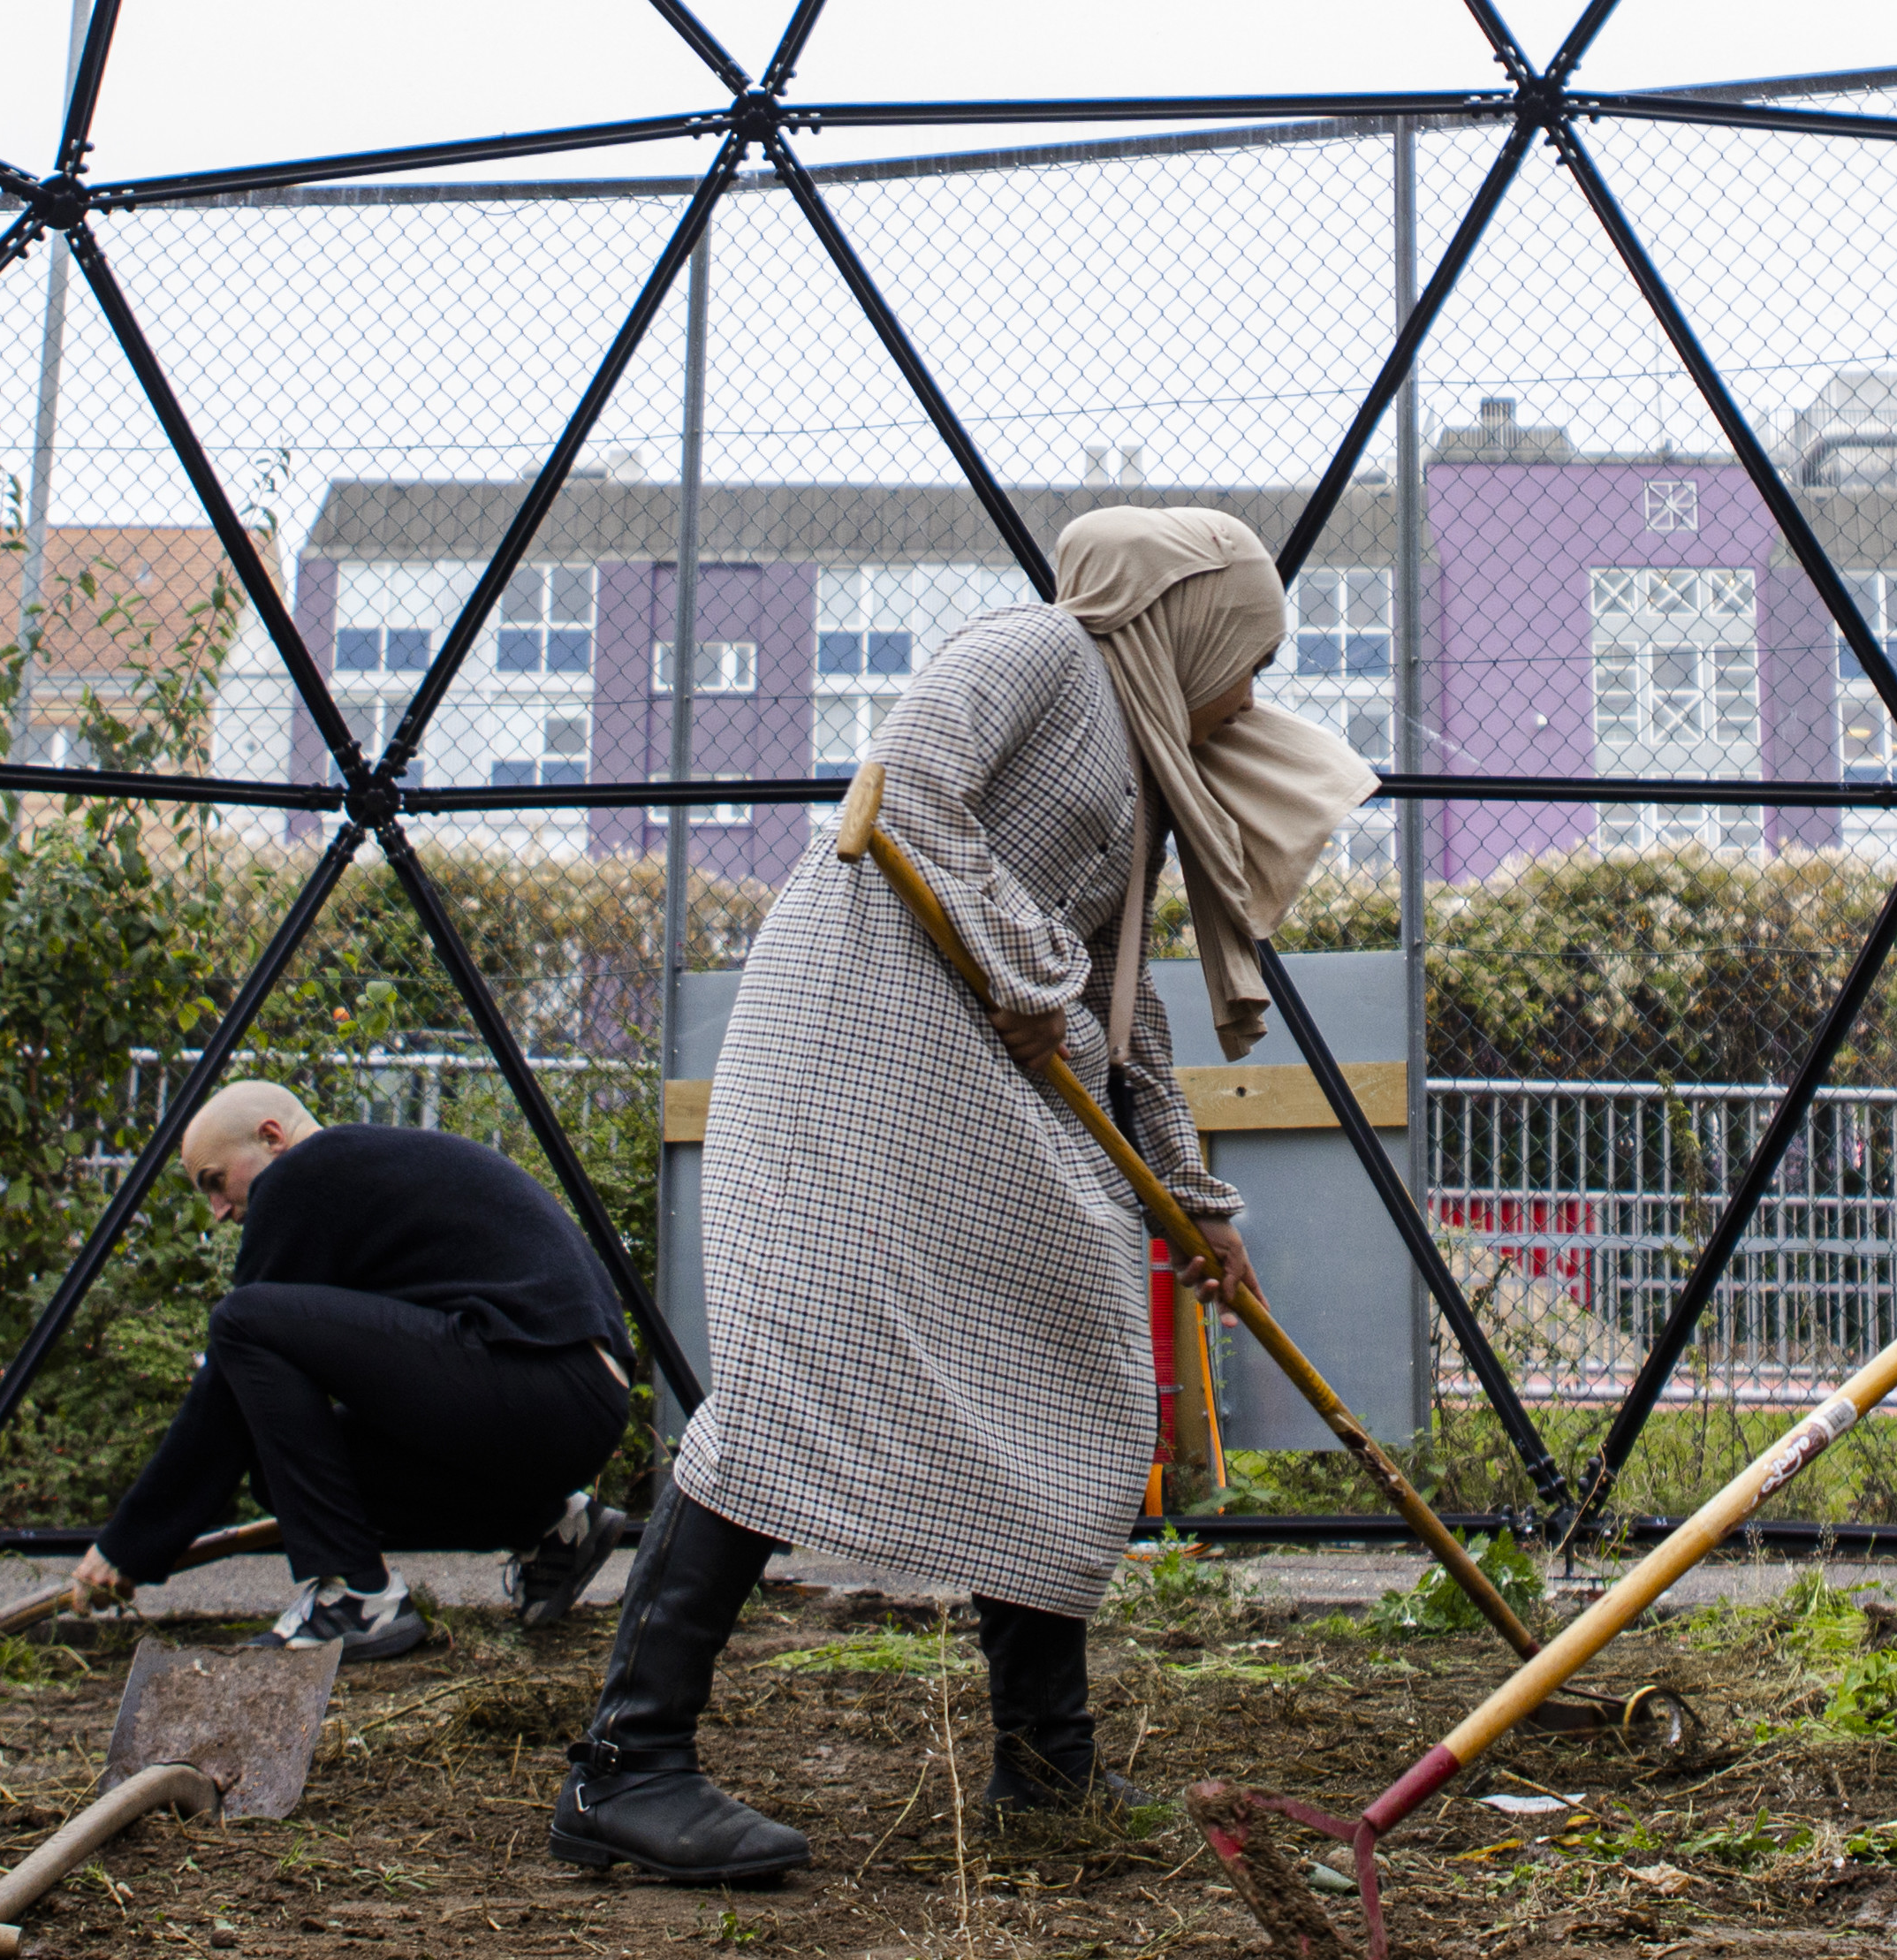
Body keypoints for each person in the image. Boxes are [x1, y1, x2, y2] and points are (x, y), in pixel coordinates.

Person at [549, 503, 1364, 1885]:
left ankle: (1047, 1767)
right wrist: (1023, 977)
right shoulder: (1040, 649)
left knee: (1072, 1371)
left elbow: (1122, 1011)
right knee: (805, 1368)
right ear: (1189, 621)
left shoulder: (1150, 762)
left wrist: (1195, 1201)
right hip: (860, 1044)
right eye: (1249, 655)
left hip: (978, 1060)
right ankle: (626, 1765)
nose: (1249, 693)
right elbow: (907, 796)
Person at [63, 1082, 643, 1656]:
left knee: (242, 1319)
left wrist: (129, 1543)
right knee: (287, 1472)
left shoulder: (304, 1173)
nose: (217, 1211)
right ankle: (551, 1530)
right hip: (573, 1399)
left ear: (271, 1138)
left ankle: (355, 1599)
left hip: (537, 1378)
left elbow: (225, 1389)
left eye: (215, 1182)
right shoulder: (363, 1172)